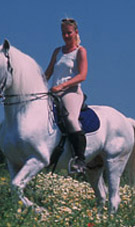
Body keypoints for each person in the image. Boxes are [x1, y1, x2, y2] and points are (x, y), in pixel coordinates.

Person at [45, 18, 88, 174]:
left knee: (70, 119)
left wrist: (62, 85)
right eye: (63, 33)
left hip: (71, 91)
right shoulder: (58, 51)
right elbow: (48, 72)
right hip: (54, 91)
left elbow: (82, 75)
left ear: (75, 32)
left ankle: (80, 159)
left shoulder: (80, 51)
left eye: (69, 33)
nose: (66, 36)